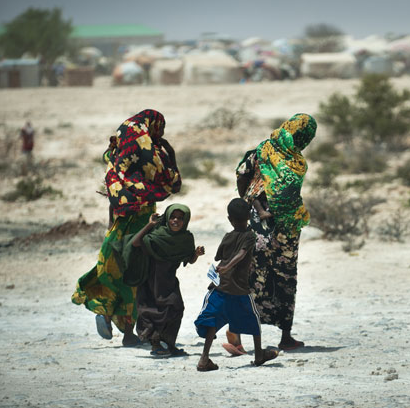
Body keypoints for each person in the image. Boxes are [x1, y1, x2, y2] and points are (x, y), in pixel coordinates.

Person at [72, 109, 181, 346]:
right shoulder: (152, 162)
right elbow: (174, 183)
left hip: (118, 227)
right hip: (142, 228)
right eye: (159, 129)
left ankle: (110, 316)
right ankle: (129, 331)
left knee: (113, 270)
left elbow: (114, 201)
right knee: (138, 274)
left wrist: (111, 226)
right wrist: (169, 152)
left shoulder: (117, 166)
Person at [227, 113, 317, 353]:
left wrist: (248, 201)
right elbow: (245, 176)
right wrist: (251, 204)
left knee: (261, 276)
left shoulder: (265, 151)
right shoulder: (286, 156)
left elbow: (242, 174)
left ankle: (243, 333)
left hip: (270, 224)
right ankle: (276, 336)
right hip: (278, 224)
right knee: (279, 276)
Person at [194, 198, 279, 371]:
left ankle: (204, 359)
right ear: (249, 215)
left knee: (212, 320)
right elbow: (241, 254)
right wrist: (228, 266)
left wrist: (224, 265)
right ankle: (259, 354)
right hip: (240, 289)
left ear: (228, 218)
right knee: (254, 320)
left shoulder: (227, 236)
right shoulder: (249, 235)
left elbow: (219, 257)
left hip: (220, 287)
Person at [116, 204, 205, 356]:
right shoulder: (157, 234)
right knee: (155, 311)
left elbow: (189, 259)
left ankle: (169, 345)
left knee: (176, 308)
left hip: (169, 280)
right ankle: (156, 345)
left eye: (180, 218)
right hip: (152, 281)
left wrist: (196, 254)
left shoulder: (186, 238)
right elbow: (136, 243)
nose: (176, 221)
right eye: (173, 217)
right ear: (168, 218)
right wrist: (149, 225)